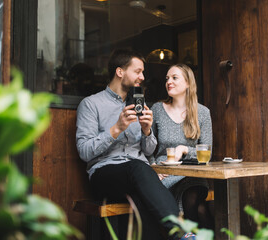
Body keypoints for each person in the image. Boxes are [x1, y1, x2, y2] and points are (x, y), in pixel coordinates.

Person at [76, 49, 190, 240]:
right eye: (138, 71)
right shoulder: (90, 104)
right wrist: (116, 129)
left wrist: (147, 131)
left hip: (137, 177)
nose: (142, 77)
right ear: (120, 72)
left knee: (142, 200)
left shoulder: (137, 104)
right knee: (139, 168)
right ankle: (180, 233)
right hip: (104, 175)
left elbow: (148, 150)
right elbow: (84, 152)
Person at [151, 63, 214, 228]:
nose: (168, 82)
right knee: (199, 208)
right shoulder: (157, 109)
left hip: (192, 173)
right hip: (164, 174)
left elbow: (207, 153)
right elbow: (146, 145)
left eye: (174, 78)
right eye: (167, 79)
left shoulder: (202, 113)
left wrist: (184, 149)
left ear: (188, 83)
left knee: (193, 198)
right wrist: (152, 167)